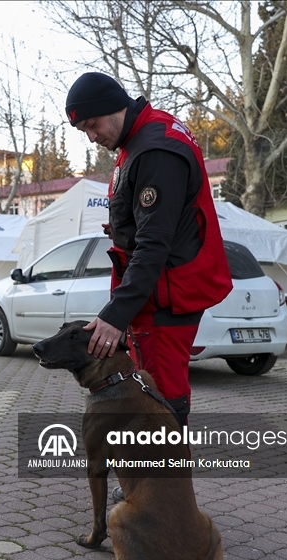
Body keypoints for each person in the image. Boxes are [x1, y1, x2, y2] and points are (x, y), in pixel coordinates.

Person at [65, 72, 233, 498]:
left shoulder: (156, 149)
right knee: (151, 393)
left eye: (91, 125)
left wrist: (113, 317)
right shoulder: (138, 142)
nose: (90, 136)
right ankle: (152, 487)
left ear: (111, 108)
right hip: (156, 294)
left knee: (163, 396)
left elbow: (154, 246)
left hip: (165, 297)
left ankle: (163, 498)